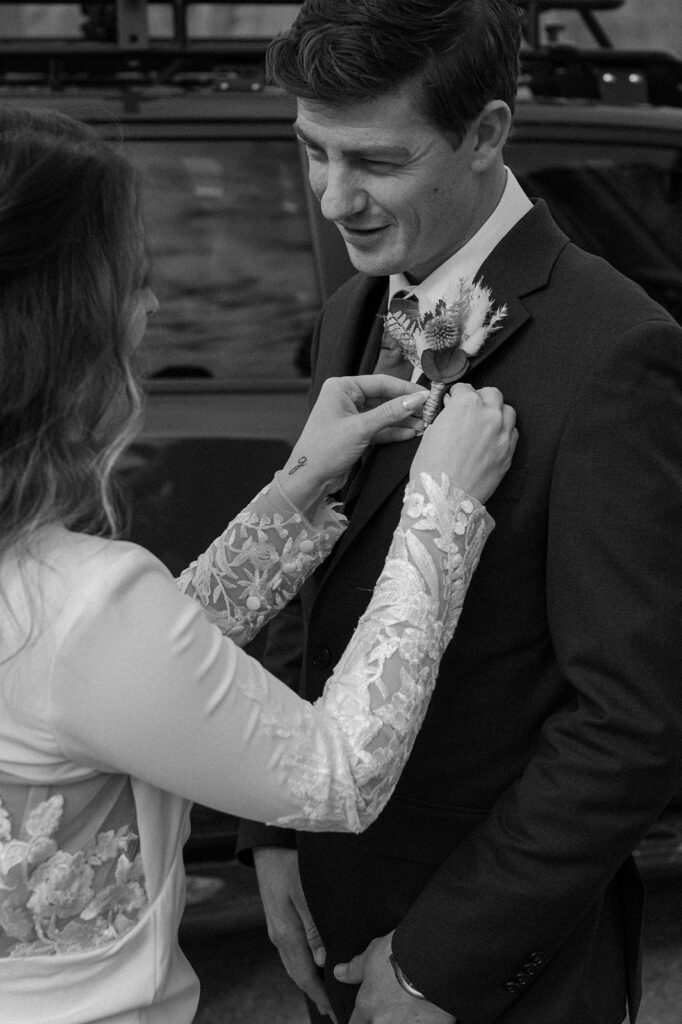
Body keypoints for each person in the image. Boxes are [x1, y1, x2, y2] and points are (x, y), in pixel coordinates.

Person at [0, 107, 517, 1024]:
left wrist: (302, 485)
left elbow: (141, 673)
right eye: (134, 282)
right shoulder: (80, 602)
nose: (151, 309)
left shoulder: (54, 596)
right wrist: (441, 510)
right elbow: (336, 774)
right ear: (62, 326)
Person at [237, 2, 682, 1023]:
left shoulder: (616, 352)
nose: (332, 197)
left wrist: (441, 960)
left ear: (486, 132)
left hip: (491, 964)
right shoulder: (358, 306)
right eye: (312, 151)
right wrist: (265, 829)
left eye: (375, 163)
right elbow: (308, 585)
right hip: (332, 909)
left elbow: (631, 724)